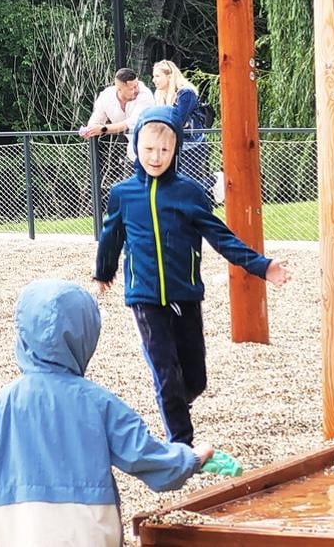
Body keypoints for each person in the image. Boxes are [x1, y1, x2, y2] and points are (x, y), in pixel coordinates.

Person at [0, 279, 215, 547]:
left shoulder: (8, 401)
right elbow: (143, 454)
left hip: (21, 525)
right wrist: (189, 458)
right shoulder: (99, 402)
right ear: (86, 337)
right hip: (88, 524)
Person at [94, 106, 291, 445]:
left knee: (195, 379)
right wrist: (104, 272)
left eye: (165, 150)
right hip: (144, 297)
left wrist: (262, 266)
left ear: (177, 150)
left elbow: (222, 238)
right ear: (136, 147)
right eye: (149, 149)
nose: (156, 157)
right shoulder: (123, 194)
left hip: (185, 294)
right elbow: (111, 236)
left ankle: (174, 402)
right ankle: (180, 445)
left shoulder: (190, 194)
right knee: (166, 373)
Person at [80, 67, 156, 185]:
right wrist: (89, 130)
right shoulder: (106, 96)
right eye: (132, 88)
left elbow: (131, 123)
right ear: (120, 88)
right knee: (130, 191)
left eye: (136, 85)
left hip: (154, 151)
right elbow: (95, 120)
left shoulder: (145, 94)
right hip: (133, 153)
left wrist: (103, 129)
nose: (136, 90)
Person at [152, 59, 214, 196]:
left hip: (192, 145)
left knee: (187, 182)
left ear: (169, 76)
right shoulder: (160, 95)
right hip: (172, 145)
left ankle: (215, 180)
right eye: (153, 76)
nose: (153, 80)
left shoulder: (186, 93)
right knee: (173, 182)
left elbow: (178, 119)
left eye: (157, 76)